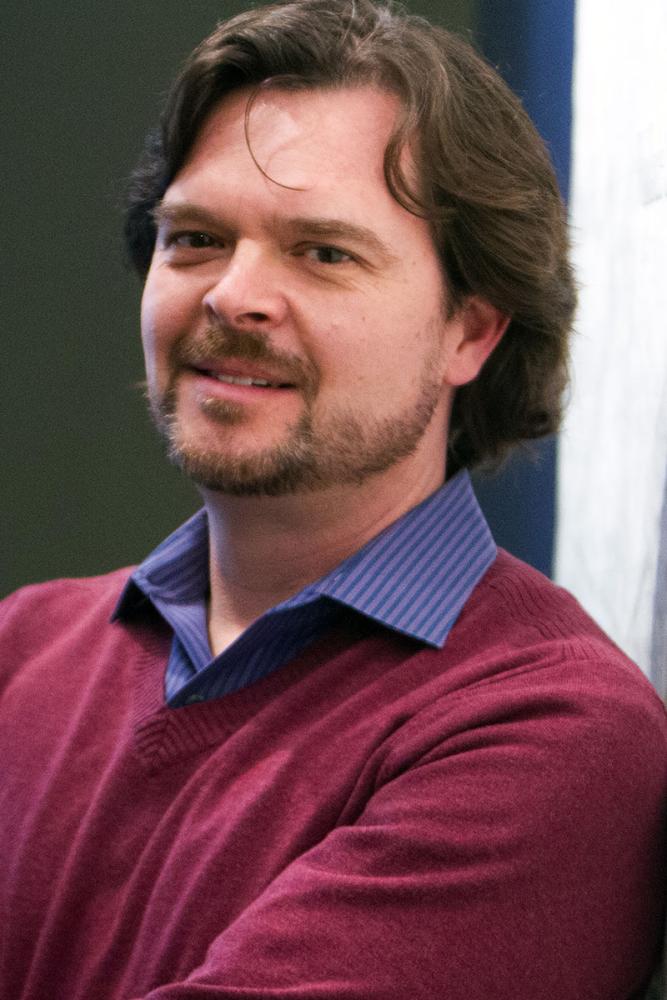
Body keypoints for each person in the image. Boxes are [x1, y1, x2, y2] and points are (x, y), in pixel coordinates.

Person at [1, 1, 665, 997]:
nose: (231, 294)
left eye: (323, 253)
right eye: (195, 238)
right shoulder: (21, 652)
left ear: (470, 331)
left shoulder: (551, 732)